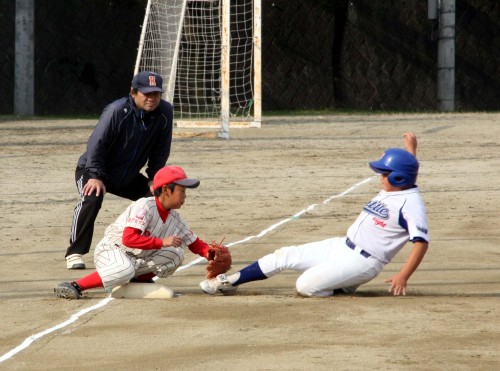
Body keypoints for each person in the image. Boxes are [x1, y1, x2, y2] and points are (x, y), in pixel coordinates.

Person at [199, 133, 429, 297]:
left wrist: (403, 275)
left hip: (364, 262)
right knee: (284, 255)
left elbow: (421, 243)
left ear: (399, 178)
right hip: (341, 246)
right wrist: (411, 151)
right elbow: (408, 171)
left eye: (384, 173)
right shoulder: (396, 187)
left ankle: (343, 285)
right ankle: (229, 283)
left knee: (305, 286)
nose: (380, 177)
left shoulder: (410, 203)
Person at [54, 166, 232, 299]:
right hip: (112, 251)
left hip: (136, 259)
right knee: (124, 268)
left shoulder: (175, 218)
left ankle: (137, 282)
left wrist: (212, 254)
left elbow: (195, 244)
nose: (185, 196)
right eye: (182, 190)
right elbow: (129, 238)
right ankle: (75, 285)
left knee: (175, 254)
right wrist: (162, 242)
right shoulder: (144, 205)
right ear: (165, 190)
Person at [65, 71, 173, 270]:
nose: (152, 99)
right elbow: (96, 143)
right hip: (93, 170)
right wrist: (96, 176)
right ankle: (75, 252)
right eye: (146, 94)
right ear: (133, 93)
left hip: (128, 176)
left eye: (156, 94)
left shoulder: (164, 112)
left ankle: (147, 249)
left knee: (158, 199)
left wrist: (154, 179)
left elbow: (161, 149)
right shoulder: (116, 111)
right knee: (92, 197)